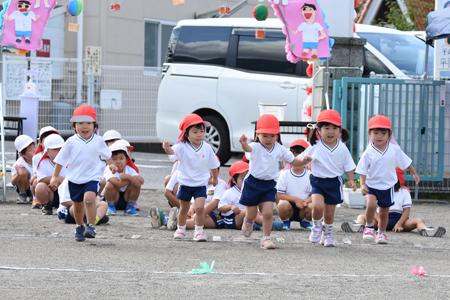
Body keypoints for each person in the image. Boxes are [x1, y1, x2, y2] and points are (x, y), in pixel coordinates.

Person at [238, 114, 311, 249]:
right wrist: (244, 144)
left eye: (272, 135)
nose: (268, 139)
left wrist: (304, 161)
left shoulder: (279, 148)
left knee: (268, 213)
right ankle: (248, 220)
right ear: (257, 134)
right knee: (252, 213)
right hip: (252, 183)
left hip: (269, 184)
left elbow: (293, 160)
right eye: (264, 135)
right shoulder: (255, 146)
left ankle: (266, 238)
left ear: (277, 135)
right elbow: (248, 149)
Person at [50, 105, 117, 242]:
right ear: (74, 126)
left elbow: (106, 154)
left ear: (94, 125)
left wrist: (111, 164)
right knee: (78, 207)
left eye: (88, 123)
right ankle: (80, 226)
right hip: (74, 180)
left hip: (92, 178)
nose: (84, 126)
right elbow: (60, 161)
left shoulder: (98, 140)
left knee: (90, 198)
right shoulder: (70, 142)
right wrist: (55, 177)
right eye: (80, 123)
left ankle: (90, 226)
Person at [356, 115, 420, 244]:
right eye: (375, 133)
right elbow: (362, 169)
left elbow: (405, 162)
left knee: (384, 213)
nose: (379, 136)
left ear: (389, 134)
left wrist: (414, 173)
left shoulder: (394, 150)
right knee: (371, 205)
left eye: (383, 133)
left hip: (388, 186)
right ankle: (368, 228)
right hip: (371, 185)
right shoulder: (368, 152)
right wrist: (362, 184)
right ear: (369, 133)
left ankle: (381, 233)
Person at [299, 109, 357, 247]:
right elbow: (301, 159)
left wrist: (351, 180)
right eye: (327, 128)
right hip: (318, 182)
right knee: (318, 207)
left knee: (330, 214)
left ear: (340, 130)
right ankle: (316, 228)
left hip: (334, 183)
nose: (331, 132)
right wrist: (304, 160)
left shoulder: (342, 148)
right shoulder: (315, 146)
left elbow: (349, 165)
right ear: (319, 130)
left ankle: (328, 235)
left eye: (334, 128)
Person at [162, 114, 220, 242]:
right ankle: (181, 229)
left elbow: (213, 164)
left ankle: (199, 231)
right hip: (185, 183)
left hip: (201, 184)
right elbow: (173, 152)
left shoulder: (206, 147)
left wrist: (215, 178)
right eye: (195, 132)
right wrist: (167, 148)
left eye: (202, 131)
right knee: (184, 209)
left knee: (200, 208)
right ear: (186, 134)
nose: (199, 134)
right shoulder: (182, 146)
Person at [341, 167, 446, 238]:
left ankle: (425, 230)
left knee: (419, 220)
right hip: (380, 219)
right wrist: (382, 222)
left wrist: (399, 224)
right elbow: (372, 210)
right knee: (362, 216)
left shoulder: (405, 192)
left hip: (399, 220)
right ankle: (358, 225)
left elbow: (406, 212)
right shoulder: (379, 190)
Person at [277, 140, 313, 230]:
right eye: (294, 157)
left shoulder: (310, 176)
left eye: (300, 157)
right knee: (282, 205)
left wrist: (304, 202)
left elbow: (314, 195)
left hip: (304, 207)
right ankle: (286, 221)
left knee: (314, 206)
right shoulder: (284, 174)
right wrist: (295, 200)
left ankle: (305, 221)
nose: (297, 160)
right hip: (289, 207)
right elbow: (280, 195)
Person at [104, 142, 143, 216]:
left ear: (126, 160)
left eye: (121, 158)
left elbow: (138, 185)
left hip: (127, 198)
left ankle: (130, 207)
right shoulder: (109, 169)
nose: (118, 162)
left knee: (135, 184)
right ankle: (110, 207)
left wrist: (128, 177)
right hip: (114, 198)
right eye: (114, 159)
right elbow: (119, 184)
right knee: (110, 185)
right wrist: (131, 178)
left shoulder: (130, 169)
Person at [35, 134, 65, 215]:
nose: (59, 151)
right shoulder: (43, 162)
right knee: (40, 187)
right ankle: (46, 206)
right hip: (51, 191)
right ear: (47, 153)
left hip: (66, 193)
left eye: (61, 149)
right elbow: (40, 179)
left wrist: (59, 180)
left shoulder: (69, 162)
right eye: (55, 149)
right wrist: (55, 179)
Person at [30, 126, 59, 209]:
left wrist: (57, 180)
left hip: (59, 186)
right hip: (47, 185)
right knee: (36, 181)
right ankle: (37, 200)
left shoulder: (64, 156)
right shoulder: (37, 157)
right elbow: (38, 175)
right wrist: (55, 179)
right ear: (40, 141)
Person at [11, 135, 36, 204]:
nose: (34, 151)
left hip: (35, 186)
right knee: (23, 171)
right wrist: (18, 174)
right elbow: (13, 182)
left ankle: (34, 195)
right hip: (23, 186)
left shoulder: (40, 159)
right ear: (22, 154)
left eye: (34, 147)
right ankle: (22, 194)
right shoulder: (19, 164)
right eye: (30, 150)